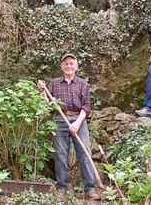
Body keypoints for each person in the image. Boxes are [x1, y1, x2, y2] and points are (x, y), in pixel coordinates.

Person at [36, 53, 101, 201]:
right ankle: (61, 188)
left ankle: (89, 189)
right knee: (60, 155)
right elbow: (48, 104)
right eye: (66, 64)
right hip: (60, 119)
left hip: (79, 119)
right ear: (62, 66)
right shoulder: (54, 83)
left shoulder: (83, 84)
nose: (69, 66)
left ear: (76, 66)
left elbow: (86, 107)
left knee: (85, 153)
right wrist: (42, 92)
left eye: (72, 63)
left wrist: (77, 123)